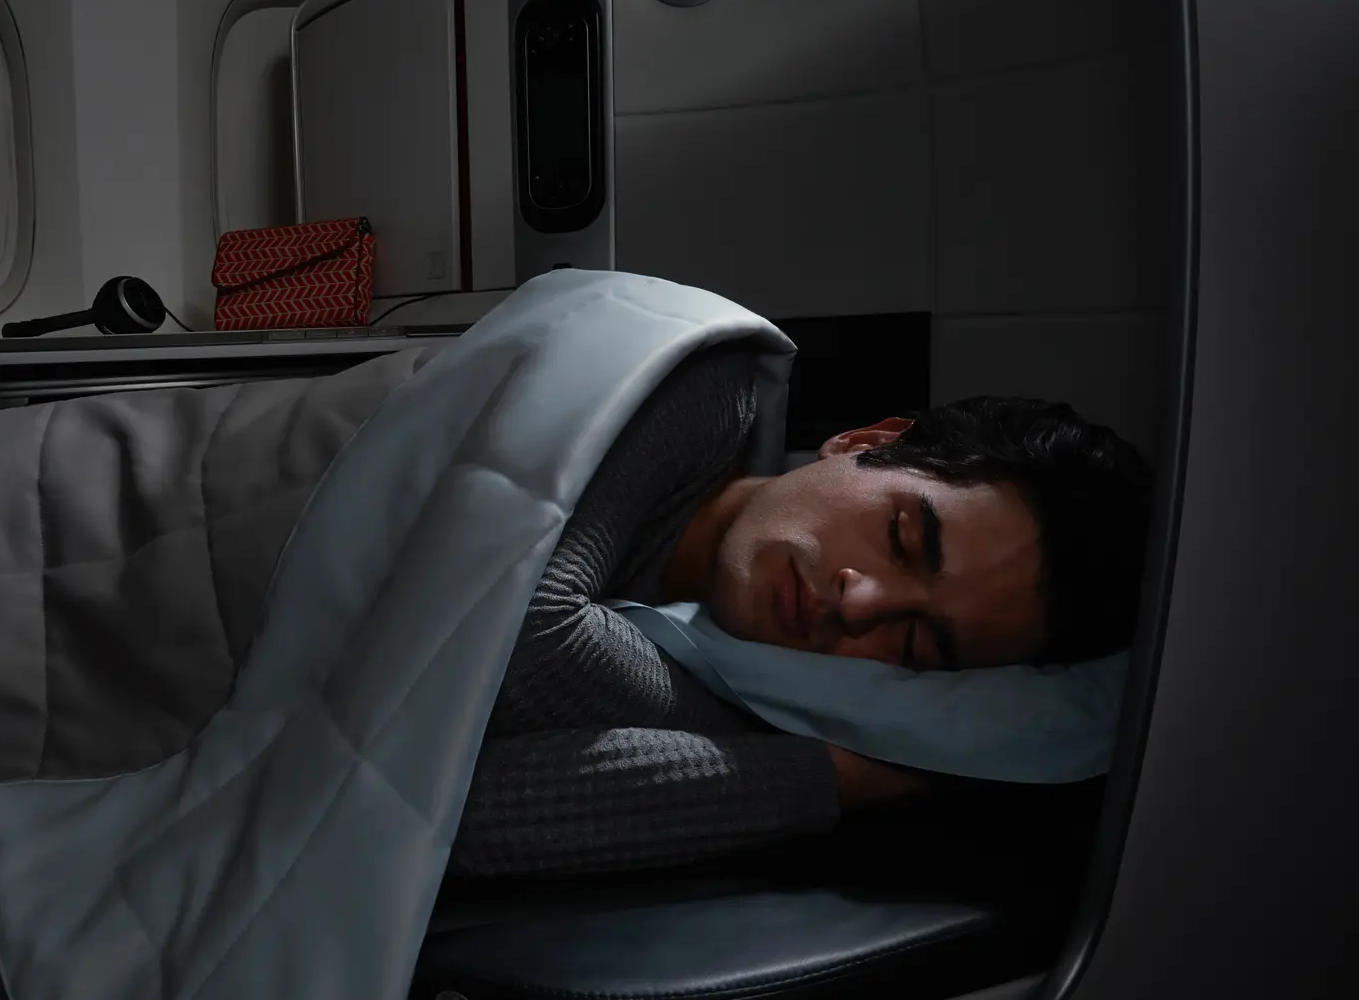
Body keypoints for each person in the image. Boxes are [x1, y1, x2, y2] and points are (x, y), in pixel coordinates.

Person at [451, 349, 1155, 878]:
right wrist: (766, 752)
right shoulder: (702, 386)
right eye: (903, 538)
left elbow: (438, 825)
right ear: (865, 444)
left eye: (913, 643)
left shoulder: (742, 684)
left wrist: (856, 777)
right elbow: (509, 639)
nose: (860, 602)